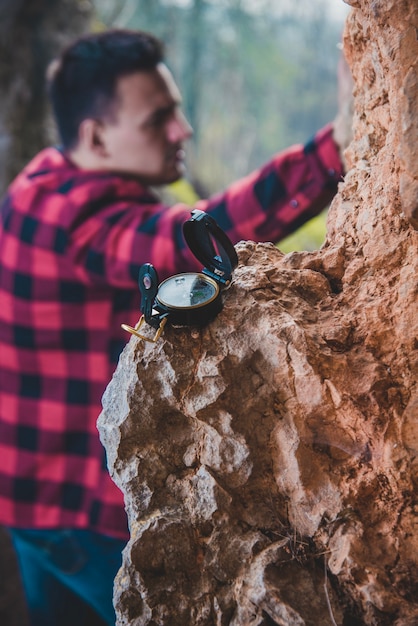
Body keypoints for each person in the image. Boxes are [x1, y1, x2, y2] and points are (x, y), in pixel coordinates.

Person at [0, 28, 350, 626]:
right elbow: (181, 242)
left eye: (179, 110)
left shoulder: (43, 179)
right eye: (159, 118)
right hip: (82, 515)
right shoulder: (77, 220)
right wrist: (334, 148)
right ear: (96, 135)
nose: (182, 130)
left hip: (28, 495)